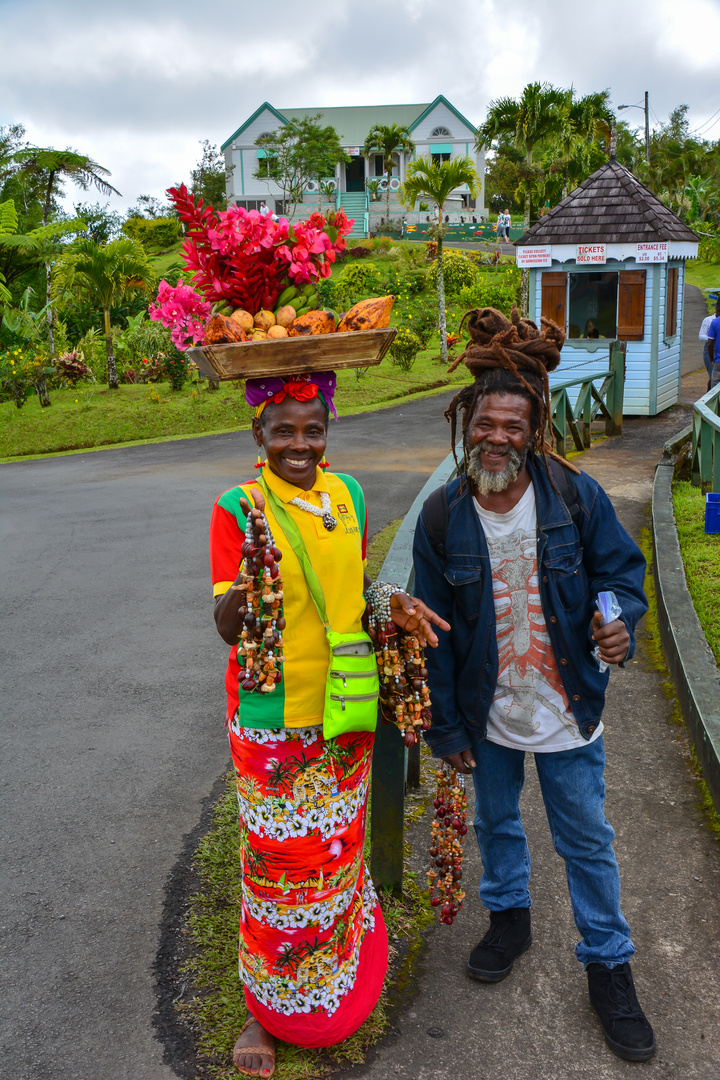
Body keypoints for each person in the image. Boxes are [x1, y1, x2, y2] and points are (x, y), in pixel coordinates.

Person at [412, 306, 655, 1063]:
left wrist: (621, 625)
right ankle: (509, 916)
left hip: (568, 711)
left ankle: (609, 965)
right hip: (488, 715)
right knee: (498, 827)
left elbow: (619, 574)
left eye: (513, 427)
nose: (497, 438)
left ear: (535, 428)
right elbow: (436, 638)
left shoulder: (575, 498)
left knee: (586, 840)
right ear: (467, 422)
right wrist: (446, 729)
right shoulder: (442, 516)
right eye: (486, 423)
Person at [211, 373, 448, 1077]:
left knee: (337, 859)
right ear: (259, 432)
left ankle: (335, 982)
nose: (299, 444)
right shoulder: (237, 508)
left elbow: (354, 595)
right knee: (278, 872)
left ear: (327, 430)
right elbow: (227, 625)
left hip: (343, 712)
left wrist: (392, 604)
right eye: (283, 430)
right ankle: (267, 1007)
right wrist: (252, 585)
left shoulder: (347, 497)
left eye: (313, 429)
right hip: (273, 722)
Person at [703, 299, 720, 390]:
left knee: (714, 383)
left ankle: (713, 403)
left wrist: (711, 359)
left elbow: (710, 343)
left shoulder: (715, 322)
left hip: (718, 360)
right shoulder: (708, 320)